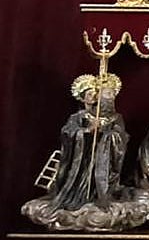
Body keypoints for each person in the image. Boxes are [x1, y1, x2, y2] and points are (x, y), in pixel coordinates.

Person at [47, 73, 128, 211]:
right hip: (82, 159)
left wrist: (107, 135)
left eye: (96, 94)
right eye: (90, 94)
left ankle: (101, 197)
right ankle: (79, 198)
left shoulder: (114, 117)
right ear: (83, 98)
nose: (94, 97)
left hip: (103, 159)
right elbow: (67, 132)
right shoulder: (78, 117)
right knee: (79, 181)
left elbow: (121, 137)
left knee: (101, 179)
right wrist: (86, 131)